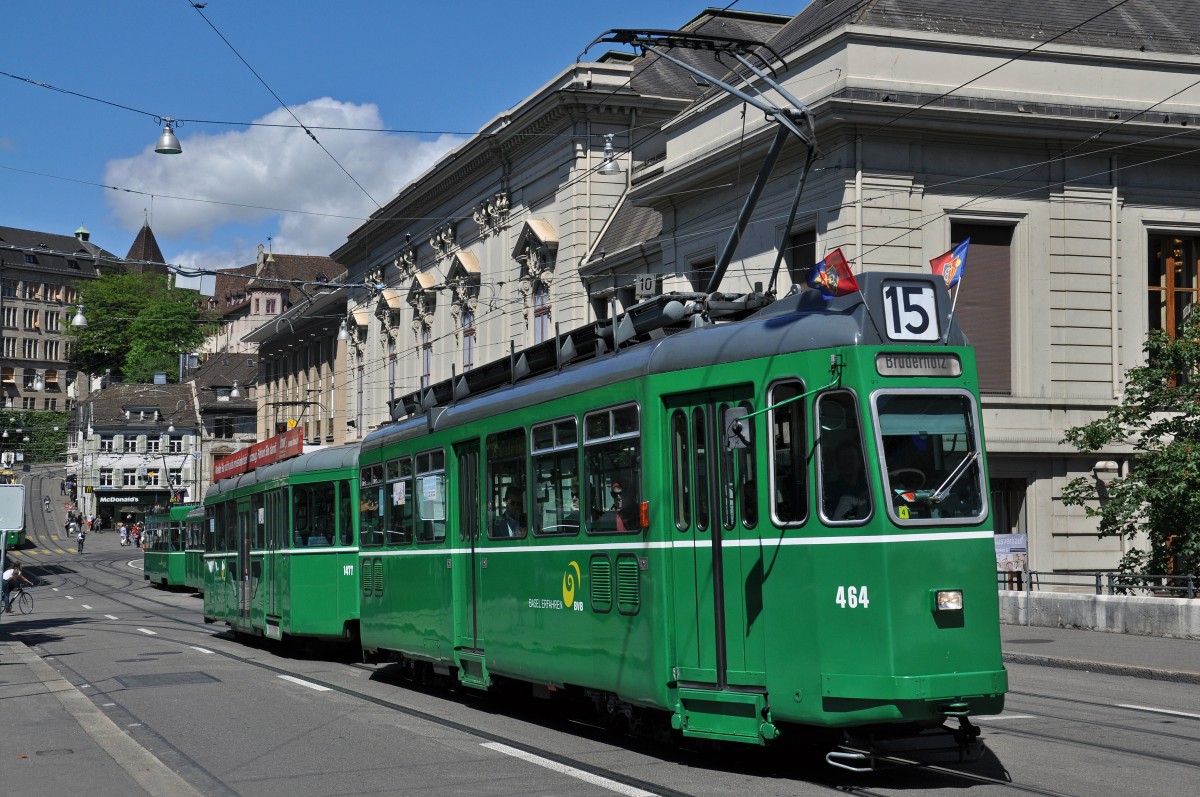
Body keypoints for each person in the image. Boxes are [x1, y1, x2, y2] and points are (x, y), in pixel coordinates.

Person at [825, 443, 869, 520]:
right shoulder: (829, 491)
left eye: (852, 457)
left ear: (859, 462)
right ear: (837, 463)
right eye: (843, 458)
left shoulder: (868, 489)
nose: (848, 461)